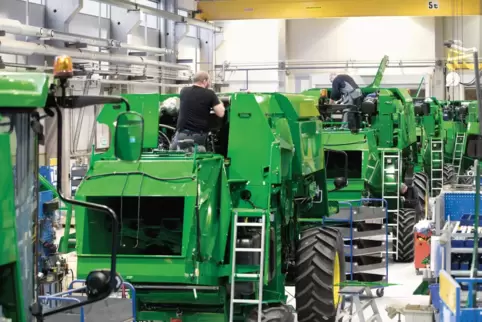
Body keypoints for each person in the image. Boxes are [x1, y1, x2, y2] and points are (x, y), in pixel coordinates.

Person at [170, 71, 225, 151]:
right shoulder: (210, 94)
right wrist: (219, 101)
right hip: (198, 136)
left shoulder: (183, 91)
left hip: (180, 134)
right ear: (205, 81)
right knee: (198, 150)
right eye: (209, 81)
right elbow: (221, 113)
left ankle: (182, 150)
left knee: (173, 151)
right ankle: (199, 150)